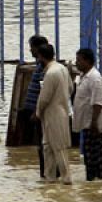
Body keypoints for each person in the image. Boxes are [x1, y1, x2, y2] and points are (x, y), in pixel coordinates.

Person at [34, 41, 73, 184]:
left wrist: (38, 113)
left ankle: (66, 179)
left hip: (53, 113)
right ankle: (50, 179)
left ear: (41, 56)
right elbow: (70, 88)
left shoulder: (51, 73)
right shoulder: (62, 68)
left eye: (38, 57)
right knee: (48, 147)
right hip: (61, 110)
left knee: (58, 147)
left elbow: (44, 98)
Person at [75, 47, 102, 180]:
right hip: (87, 123)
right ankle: (93, 182)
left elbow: (98, 102)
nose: (76, 63)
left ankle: (98, 180)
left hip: (93, 124)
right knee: (89, 156)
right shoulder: (83, 76)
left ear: (87, 61)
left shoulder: (95, 78)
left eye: (79, 60)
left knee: (95, 156)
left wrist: (94, 122)